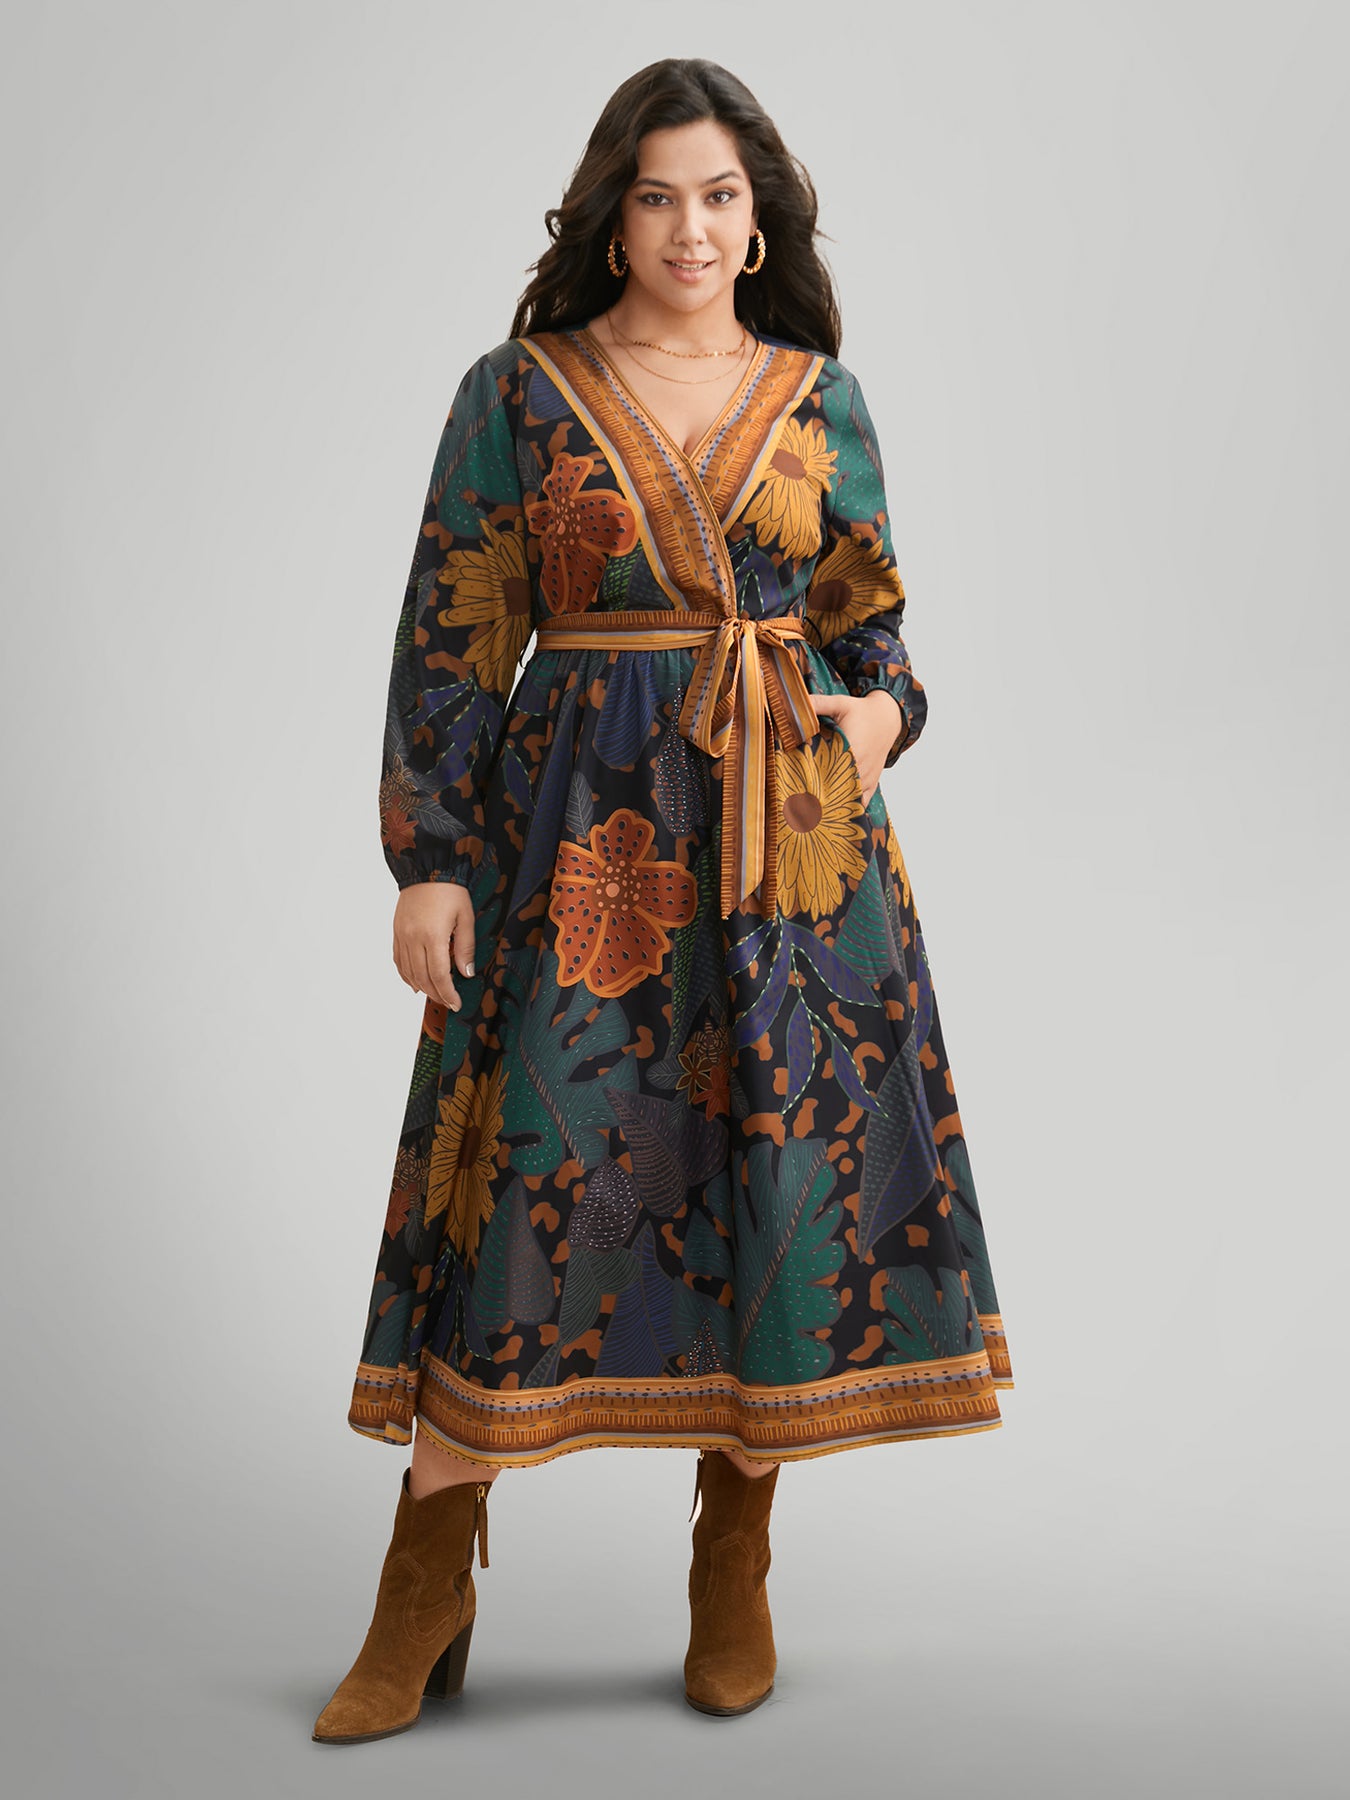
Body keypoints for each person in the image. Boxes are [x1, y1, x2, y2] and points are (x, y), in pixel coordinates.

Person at [313, 56, 1014, 1745]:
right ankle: (424, 1582)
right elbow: (452, 627)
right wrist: (429, 857)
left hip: (786, 856)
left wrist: (882, 715)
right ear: (608, 215)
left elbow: (871, 627)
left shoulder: (818, 396)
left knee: (759, 1169)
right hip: (579, 843)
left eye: (716, 196)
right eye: (654, 196)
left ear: (756, 218)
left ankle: (732, 1558)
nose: (688, 228)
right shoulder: (518, 390)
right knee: (533, 1179)